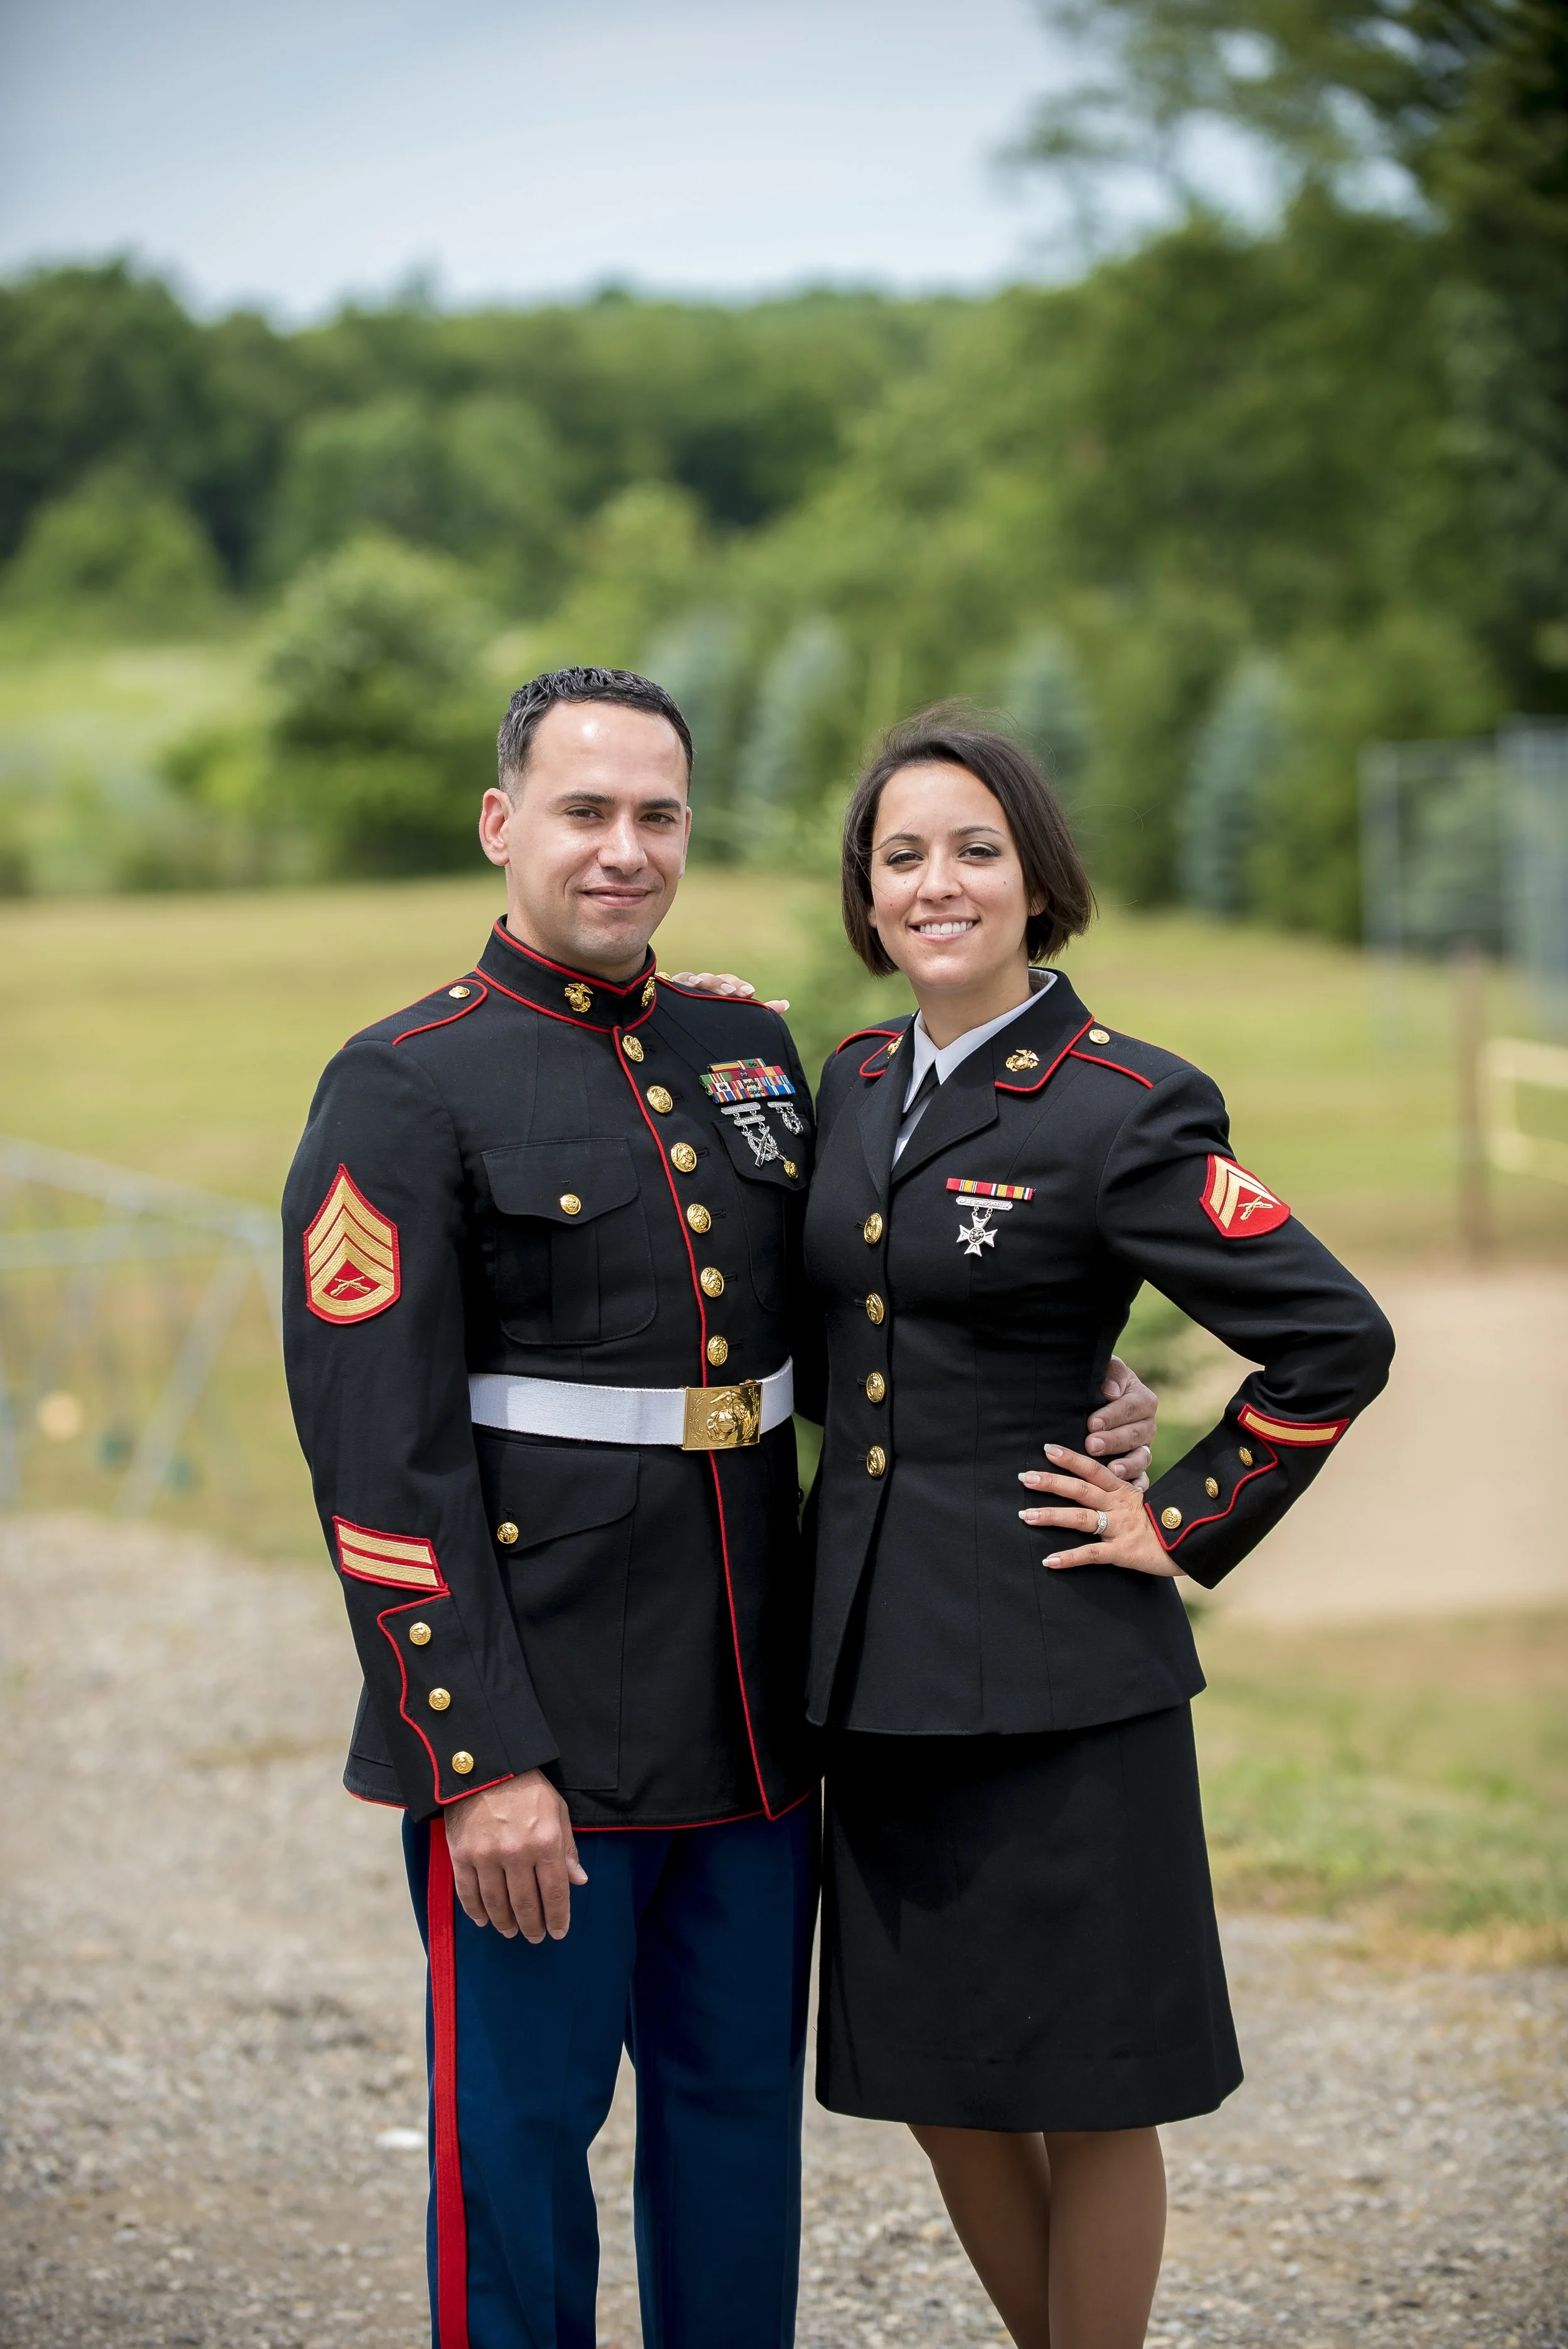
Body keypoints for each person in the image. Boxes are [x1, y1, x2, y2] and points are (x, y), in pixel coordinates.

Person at [280, 667, 1157, 2349]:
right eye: (584, 812)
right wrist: (478, 1759)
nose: (624, 850)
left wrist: (1069, 1394)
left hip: (756, 1723)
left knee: (736, 2137)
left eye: (656, 816)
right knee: (520, 2147)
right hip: (546, 1732)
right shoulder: (404, 1086)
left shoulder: (746, 1050)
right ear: (501, 825)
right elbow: (376, 1463)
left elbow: (855, 1333)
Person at [802, 709, 1396, 2349]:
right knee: (934, 2077)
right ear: (864, 893)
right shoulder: (850, 1086)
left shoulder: (1119, 1103)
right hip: (876, 1668)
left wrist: (1182, 1515)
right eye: (901, 855)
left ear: (1036, 880)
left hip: (1061, 1662)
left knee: (1083, 2083)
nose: (937, 883)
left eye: (973, 850)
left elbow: (1332, 1335)